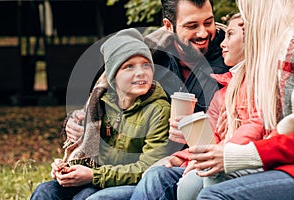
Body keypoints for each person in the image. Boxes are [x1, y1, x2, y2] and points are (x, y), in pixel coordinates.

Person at [129, 12, 269, 200]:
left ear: (251, 38)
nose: (222, 44)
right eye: (128, 67)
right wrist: (179, 158)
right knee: (156, 174)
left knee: (191, 180)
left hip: (243, 161)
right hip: (215, 160)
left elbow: (256, 124)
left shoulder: (262, 81)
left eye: (230, 34)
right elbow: (210, 138)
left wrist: (218, 153)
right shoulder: (224, 91)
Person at [30, 28, 171, 200]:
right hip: (94, 175)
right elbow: (82, 151)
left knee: (85, 196)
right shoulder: (100, 102)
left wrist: (94, 175)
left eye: (146, 65)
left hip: (127, 183)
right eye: (129, 66)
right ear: (113, 75)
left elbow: (149, 166)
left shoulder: (158, 109)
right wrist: (65, 168)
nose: (141, 72)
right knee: (45, 191)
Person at [65, 0, 230, 146]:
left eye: (208, 22)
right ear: (168, 26)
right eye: (192, 26)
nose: (203, 33)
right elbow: (112, 104)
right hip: (143, 159)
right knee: (50, 183)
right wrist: (80, 122)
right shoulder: (151, 58)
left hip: (195, 163)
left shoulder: (233, 60)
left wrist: (200, 135)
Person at [185, 0, 294, 199]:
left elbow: (259, 124)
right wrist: (181, 153)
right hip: (271, 156)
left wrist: (230, 153)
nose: (204, 34)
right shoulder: (228, 84)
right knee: (160, 176)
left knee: (209, 189)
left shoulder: (283, 55)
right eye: (191, 26)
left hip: (278, 161)